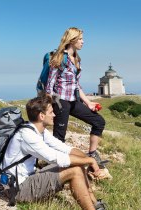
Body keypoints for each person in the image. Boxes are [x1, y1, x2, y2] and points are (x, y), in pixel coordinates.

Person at [1, 95, 107, 210]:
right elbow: (55, 158)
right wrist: (90, 160)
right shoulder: (27, 135)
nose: (55, 115)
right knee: (75, 170)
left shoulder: (38, 130)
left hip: (27, 179)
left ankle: (95, 204)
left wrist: (91, 162)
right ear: (42, 116)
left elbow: (64, 148)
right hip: (17, 189)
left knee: (76, 163)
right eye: (51, 112)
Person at [45, 27, 106, 166]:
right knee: (59, 137)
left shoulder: (76, 59)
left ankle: (92, 154)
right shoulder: (59, 57)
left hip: (73, 100)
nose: (83, 42)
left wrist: (88, 103)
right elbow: (50, 84)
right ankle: (53, 165)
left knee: (99, 122)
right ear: (72, 40)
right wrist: (48, 105)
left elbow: (76, 84)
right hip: (60, 101)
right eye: (80, 39)